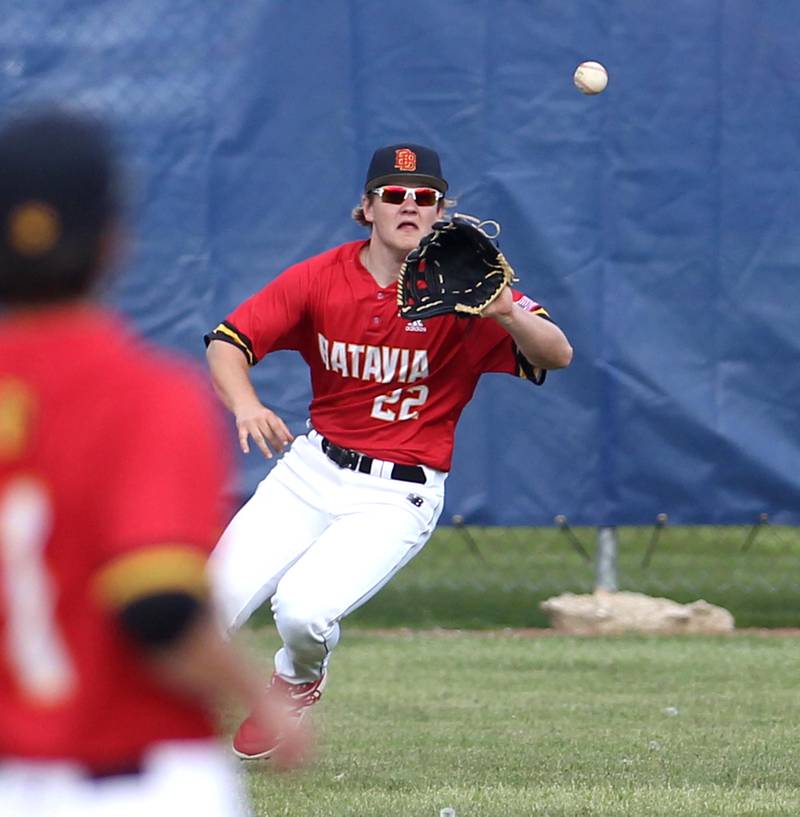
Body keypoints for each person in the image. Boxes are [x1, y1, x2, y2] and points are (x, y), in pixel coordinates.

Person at [205, 143, 573, 760]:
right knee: (209, 603)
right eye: (395, 195)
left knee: (303, 612)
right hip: (311, 471)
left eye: (425, 197)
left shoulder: (471, 292)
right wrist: (245, 404)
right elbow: (228, 341)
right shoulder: (320, 277)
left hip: (396, 493)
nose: (410, 205)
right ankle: (145, 733)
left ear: (439, 211)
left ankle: (295, 682)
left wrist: (507, 310)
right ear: (368, 208)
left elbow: (556, 354)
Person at [0, 109, 307, 817]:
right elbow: (155, 603)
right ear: (113, 242)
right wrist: (262, 697)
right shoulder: (144, 395)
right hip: (136, 781)